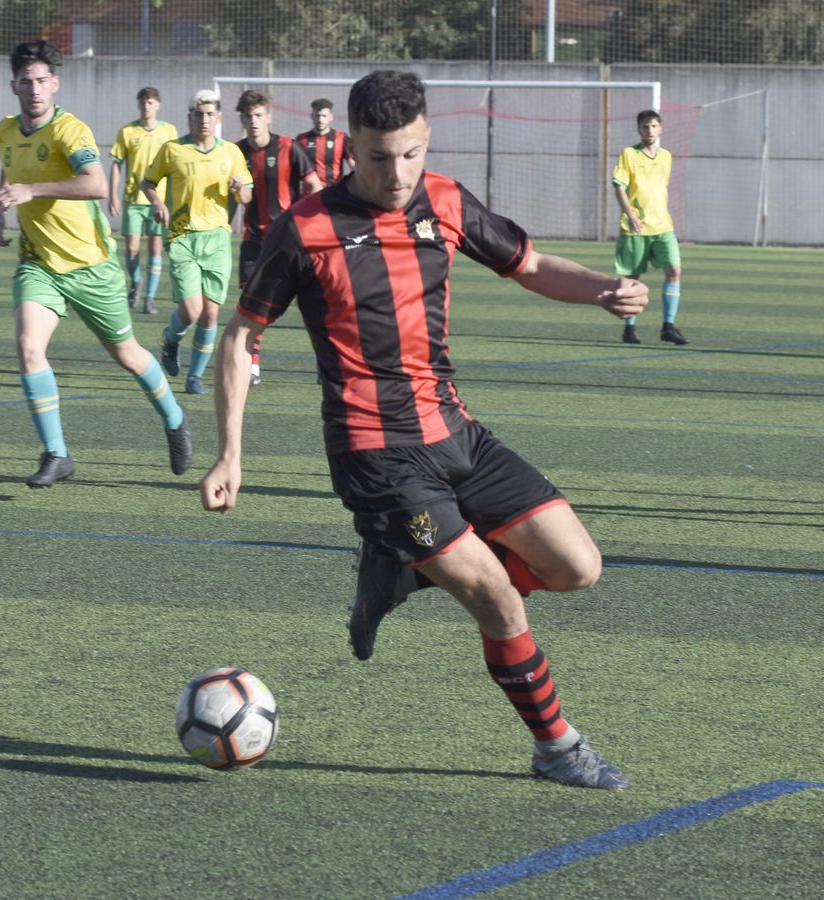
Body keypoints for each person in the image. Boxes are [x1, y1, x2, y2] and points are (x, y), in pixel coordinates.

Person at [199, 70, 646, 790]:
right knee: (497, 597)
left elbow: (527, 265)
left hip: (456, 433)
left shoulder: (444, 199)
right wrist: (230, 454)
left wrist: (600, 288)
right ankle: (557, 748)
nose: (396, 173)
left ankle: (405, 567)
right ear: (351, 148)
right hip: (377, 456)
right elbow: (239, 338)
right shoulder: (306, 230)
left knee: (577, 569)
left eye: (409, 154)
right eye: (379, 157)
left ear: (426, 139)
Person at [0, 41, 193, 488]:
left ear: (55, 84)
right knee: (28, 346)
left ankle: (175, 419)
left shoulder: (70, 131)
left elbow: (97, 183)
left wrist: (31, 190)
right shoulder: (5, 130)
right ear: (14, 86)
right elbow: (9, 168)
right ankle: (56, 454)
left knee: (126, 354)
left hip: (90, 266)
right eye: (26, 81)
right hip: (38, 263)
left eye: (43, 80)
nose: (35, 89)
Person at [141, 89, 252, 396]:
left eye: (209, 114)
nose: (204, 120)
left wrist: (239, 190)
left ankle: (195, 378)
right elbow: (147, 182)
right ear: (190, 116)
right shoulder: (172, 149)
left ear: (218, 118)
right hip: (182, 236)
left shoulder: (231, 152)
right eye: (198, 114)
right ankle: (171, 340)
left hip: (217, 238)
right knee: (190, 311)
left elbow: (247, 197)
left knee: (212, 313)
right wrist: (157, 202)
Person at [236, 90, 321, 387]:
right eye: (248, 116)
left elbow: (314, 185)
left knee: (311, 304)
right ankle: (253, 365)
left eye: (259, 115)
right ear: (242, 119)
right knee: (249, 305)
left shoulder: (288, 147)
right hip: (252, 239)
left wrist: (309, 222)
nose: (254, 121)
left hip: (286, 240)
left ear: (268, 117)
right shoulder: (234, 152)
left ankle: (327, 361)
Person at [612, 109, 688, 345]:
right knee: (632, 278)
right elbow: (619, 186)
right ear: (639, 129)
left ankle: (668, 327)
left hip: (663, 226)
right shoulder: (628, 154)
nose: (650, 130)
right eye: (645, 126)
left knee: (674, 270)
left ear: (661, 128)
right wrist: (630, 214)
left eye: (654, 126)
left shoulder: (666, 156)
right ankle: (629, 329)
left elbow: (659, 189)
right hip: (635, 228)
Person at [109, 87, 178, 315]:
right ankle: (136, 282)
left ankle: (149, 298)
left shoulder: (169, 131)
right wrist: (113, 195)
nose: (146, 107)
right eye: (142, 103)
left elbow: (175, 166)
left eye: (150, 102)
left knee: (155, 249)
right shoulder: (127, 131)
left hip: (159, 201)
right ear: (138, 105)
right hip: (133, 199)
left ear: (157, 105)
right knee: (131, 249)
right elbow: (116, 164)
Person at [297, 98, 354, 190]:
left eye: (324, 116)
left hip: (334, 193)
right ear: (312, 116)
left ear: (331, 117)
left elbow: (353, 165)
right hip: (310, 195)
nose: (320, 119)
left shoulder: (341, 137)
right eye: (317, 116)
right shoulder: (301, 140)